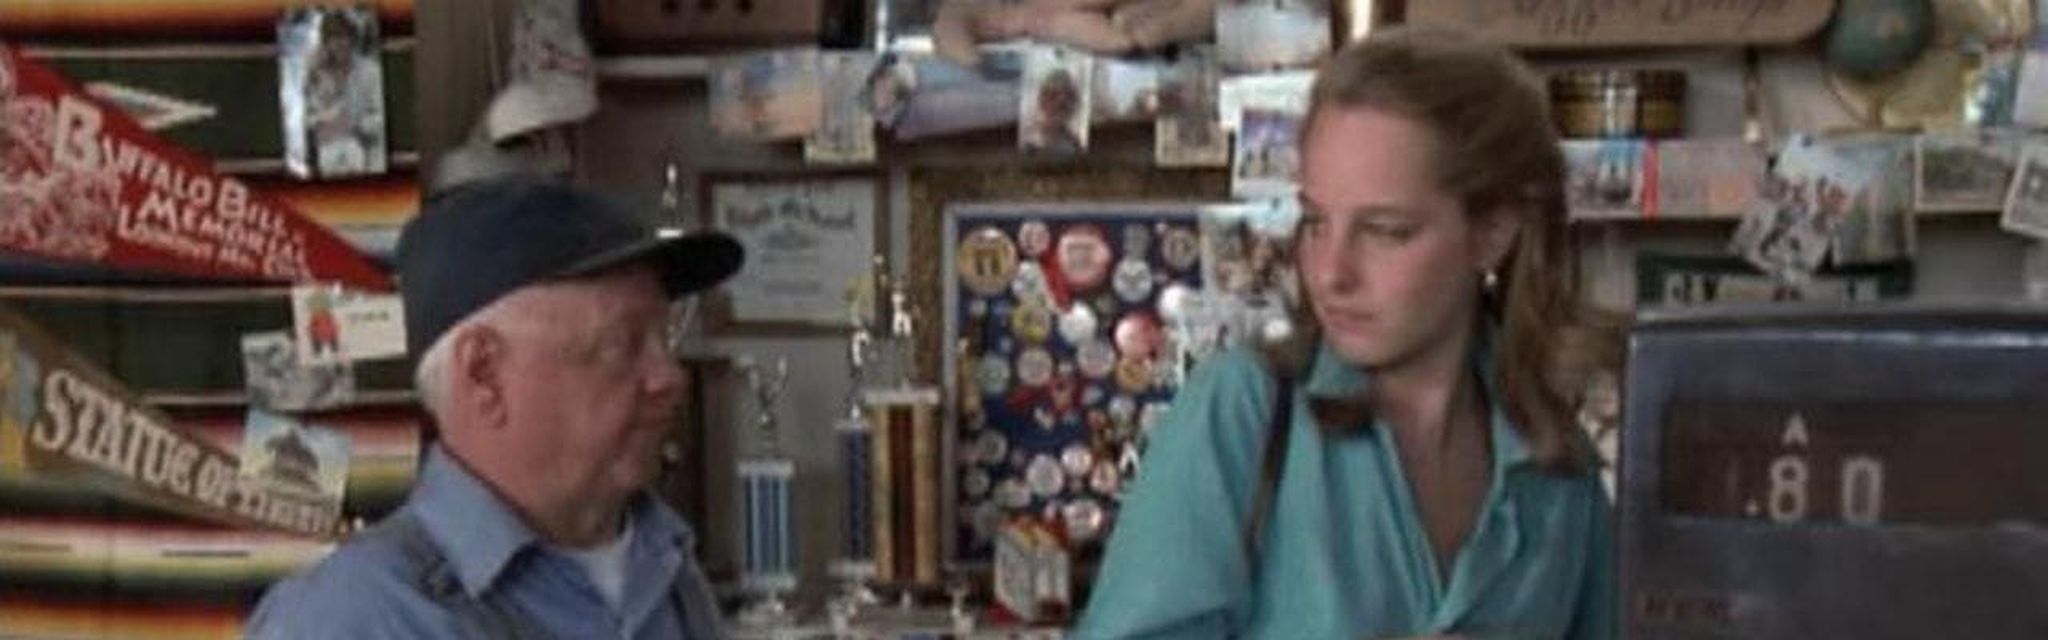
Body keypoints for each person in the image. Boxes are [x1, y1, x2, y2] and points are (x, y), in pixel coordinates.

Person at [1076, 26, 1622, 639]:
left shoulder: (1556, 467)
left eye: (1384, 231)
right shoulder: (1243, 410)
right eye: (1315, 222)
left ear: (1493, 233)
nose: (1330, 273)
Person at [247, 177, 745, 639]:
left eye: (664, 338)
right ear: (483, 373)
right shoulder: (352, 620)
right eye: (621, 345)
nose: (669, 377)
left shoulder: (665, 565)